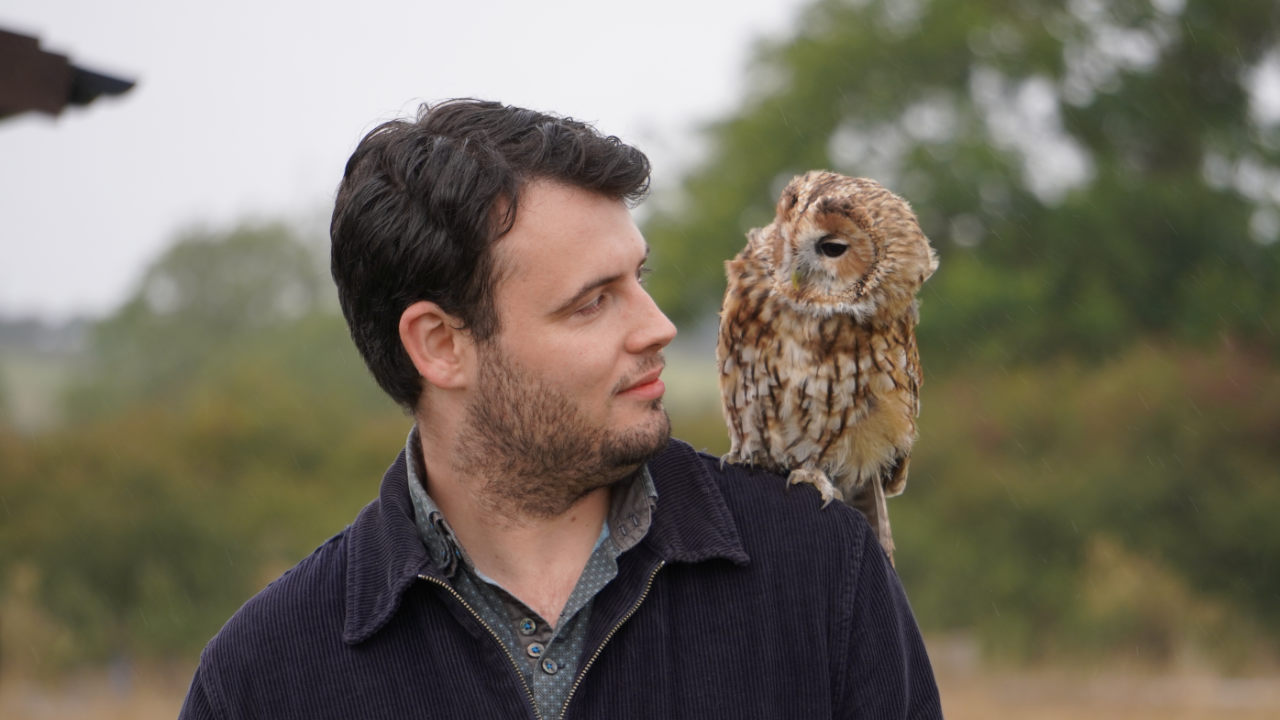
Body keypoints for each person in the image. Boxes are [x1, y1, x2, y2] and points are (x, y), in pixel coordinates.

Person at [178, 98, 942, 719]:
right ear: (440, 346)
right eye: (592, 302)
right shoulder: (264, 677)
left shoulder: (819, 570)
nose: (658, 327)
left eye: (640, 278)